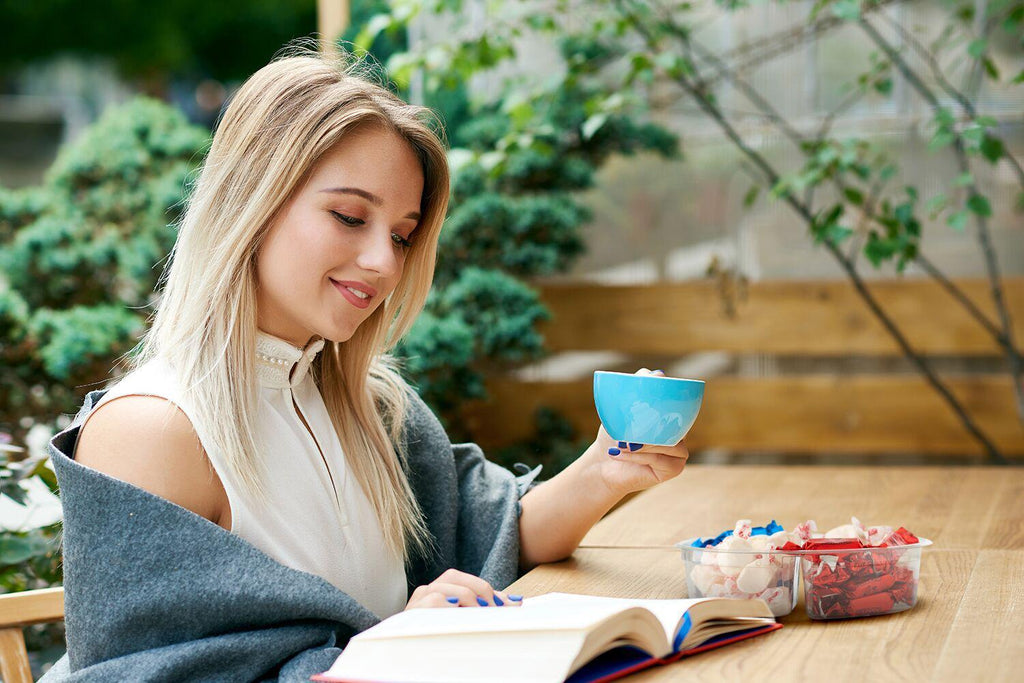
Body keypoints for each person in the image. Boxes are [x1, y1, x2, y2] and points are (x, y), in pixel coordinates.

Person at [41, 44, 689, 681]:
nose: (385, 261)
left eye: (402, 235)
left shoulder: (370, 406)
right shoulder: (155, 431)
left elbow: (498, 531)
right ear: (252, 202)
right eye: (350, 216)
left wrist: (607, 467)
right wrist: (392, 646)